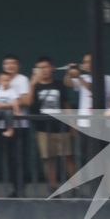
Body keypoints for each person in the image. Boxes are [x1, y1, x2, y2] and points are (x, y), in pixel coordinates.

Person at [23, 57, 72, 188]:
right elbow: (27, 103)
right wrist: (32, 84)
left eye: (46, 67)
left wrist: (72, 124)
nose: (43, 70)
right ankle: (53, 186)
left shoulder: (59, 84)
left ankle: (75, 186)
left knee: (67, 157)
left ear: (52, 68)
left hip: (61, 127)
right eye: (40, 68)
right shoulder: (35, 86)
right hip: (43, 128)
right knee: (48, 159)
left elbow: (66, 104)